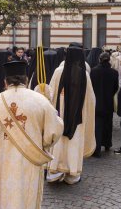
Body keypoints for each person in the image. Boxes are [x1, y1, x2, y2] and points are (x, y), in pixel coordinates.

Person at [0, 61, 63, 209]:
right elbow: (54, 131)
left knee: (7, 200)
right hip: (31, 160)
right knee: (28, 198)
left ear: (5, 82)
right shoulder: (41, 100)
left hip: (3, 162)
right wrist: (44, 143)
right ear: (26, 79)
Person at [46, 47, 95, 184]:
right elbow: (90, 99)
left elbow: (51, 92)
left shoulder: (58, 71)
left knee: (58, 143)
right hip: (77, 117)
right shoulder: (84, 74)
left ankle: (55, 172)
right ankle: (72, 174)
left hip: (59, 115)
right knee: (73, 144)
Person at [90, 52, 118, 157]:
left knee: (97, 126)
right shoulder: (114, 72)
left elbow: (91, 87)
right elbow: (116, 87)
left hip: (96, 102)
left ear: (99, 59)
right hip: (108, 102)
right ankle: (107, 144)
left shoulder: (94, 71)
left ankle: (96, 149)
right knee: (108, 124)